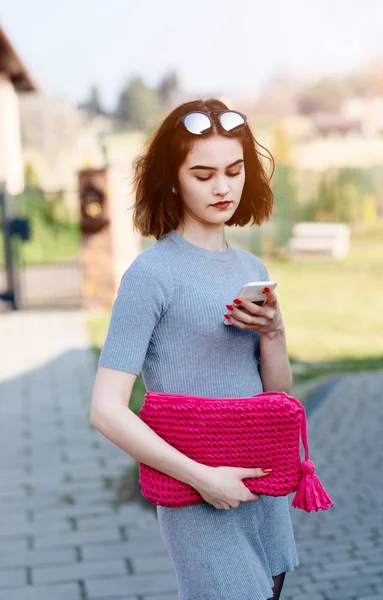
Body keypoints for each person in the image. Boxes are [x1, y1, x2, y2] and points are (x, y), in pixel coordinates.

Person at [90, 98, 299, 600]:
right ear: (173, 179)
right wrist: (204, 479)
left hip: (261, 482)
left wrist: (273, 334)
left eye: (233, 170)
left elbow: (278, 397)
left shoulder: (250, 269)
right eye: (203, 174)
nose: (222, 187)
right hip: (196, 491)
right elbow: (105, 410)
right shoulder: (151, 275)